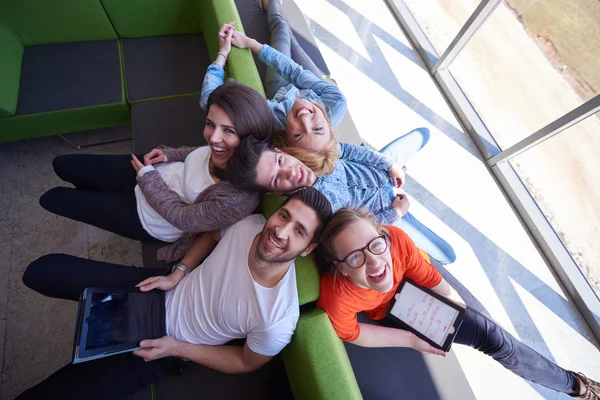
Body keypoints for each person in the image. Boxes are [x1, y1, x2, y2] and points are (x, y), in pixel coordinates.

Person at [17, 187, 333, 400]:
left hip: (165, 349)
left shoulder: (278, 317)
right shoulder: (251, 225)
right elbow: (211, 235)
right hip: (157, 291)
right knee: (44, 272)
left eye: (299, 231)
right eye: (284, 215)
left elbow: (246, 362)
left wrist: (177, 348)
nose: (281, 230)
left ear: (309, 249)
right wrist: (178, 272)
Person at [314, 208, 599, 399]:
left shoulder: (395, 239)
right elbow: (355, 333)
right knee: (496, 339)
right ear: (341, 268)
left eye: (375, 245)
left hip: (415, 282)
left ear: (383, 236)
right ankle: (577, 386)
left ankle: (571, 382)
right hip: (393, 311)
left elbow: (428, 277)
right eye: (355, 257)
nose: (374, 261)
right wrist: (412, 341)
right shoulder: (337, 297)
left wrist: (455, 304)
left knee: (487, 327)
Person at [39, 74, 273, 263]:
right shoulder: (223, 148)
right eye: (210, 124)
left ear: (249, 139)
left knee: (54, 199)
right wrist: (170, 153)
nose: (214, 138)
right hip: (153, 170)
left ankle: (97, 197)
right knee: (64, 165)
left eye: (229, 131)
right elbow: (201, 151)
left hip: (146, 215)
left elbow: (183, 218)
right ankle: (96, 193)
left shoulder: (238, 199)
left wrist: (147, 178)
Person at [227, 136, 457, 264]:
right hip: (387, 207)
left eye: (279, 161)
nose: (288, 172)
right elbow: (361, 228)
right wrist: (396, 213)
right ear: (274, 192)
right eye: (277, 180)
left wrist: (390, 166)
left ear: (281, 151)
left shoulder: (311, 152)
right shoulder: (314, 211)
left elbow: (349, 151)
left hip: (382, 169)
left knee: (422, 134)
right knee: (445, 254)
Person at [204, 4, 345, 156]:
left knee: (282, 31)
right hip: (309, 85)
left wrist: (223, 53)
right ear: (329, 129)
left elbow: (209, 100)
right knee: (292, 42)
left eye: (299, 134)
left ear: (287, 137)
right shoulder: (336, 103)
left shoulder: (272, 120)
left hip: (280, 88)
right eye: (318, 129)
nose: (305, 120)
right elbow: (295, 72)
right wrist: (250, 43)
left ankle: (273, 3)